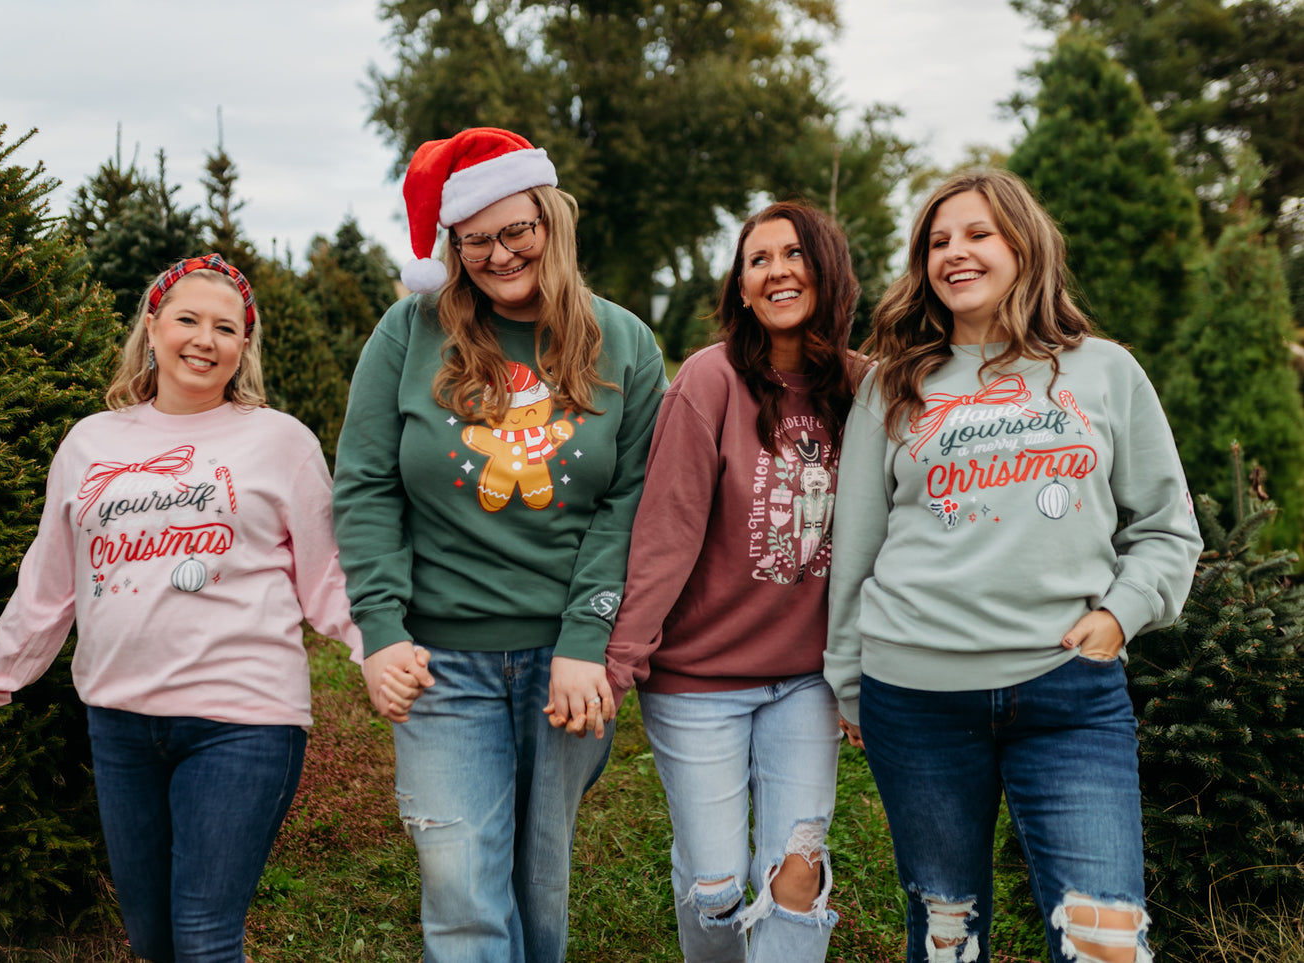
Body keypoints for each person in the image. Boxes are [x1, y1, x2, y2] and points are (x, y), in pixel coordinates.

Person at [0, 254, 366, 963]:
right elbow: (48, 589)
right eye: (188, 319)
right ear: (153, 326)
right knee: (153, 942)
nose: (205, 339)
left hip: (243, 722)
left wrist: (383, 650)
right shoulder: (91, 442)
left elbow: (328, 577)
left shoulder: (280, 441)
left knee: (203, 940)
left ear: (243, 347)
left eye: (226, 328)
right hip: (120, 726)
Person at [824, 169, 1203, 963]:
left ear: (1024, 246)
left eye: (976, 234)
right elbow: (854, 549)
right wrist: (850, 680)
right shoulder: (894, 386)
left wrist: (1117, 618)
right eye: (936, 240)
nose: (953, 253)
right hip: (916, 701)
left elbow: (1168, 527)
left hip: (1067, 693)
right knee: (944, 933)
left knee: (1108, 942)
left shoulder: (1103, 371)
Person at [331, 126, 668, 962]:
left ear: (550, 220)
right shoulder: (407, 334)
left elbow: (628, 502)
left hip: (566, 660)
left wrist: (589, 638)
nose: (498, 253)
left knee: (536, 883)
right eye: (473, 239)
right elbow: (365, 483)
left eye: (515, 229)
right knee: (458, 883)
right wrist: (380, 628)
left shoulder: (623, 342)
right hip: (439, 662)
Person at [604, 201, 861, 961]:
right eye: (758, 259)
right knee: (714, 885)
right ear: (741, 288)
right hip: (697, 681)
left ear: (828, 271)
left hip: (805, 680)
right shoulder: (708, 381)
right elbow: (666, 530)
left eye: (793, 253)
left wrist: (860, 674)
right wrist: (620, 658)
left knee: (795, 870)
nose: (777, 269)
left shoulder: (864, 389)